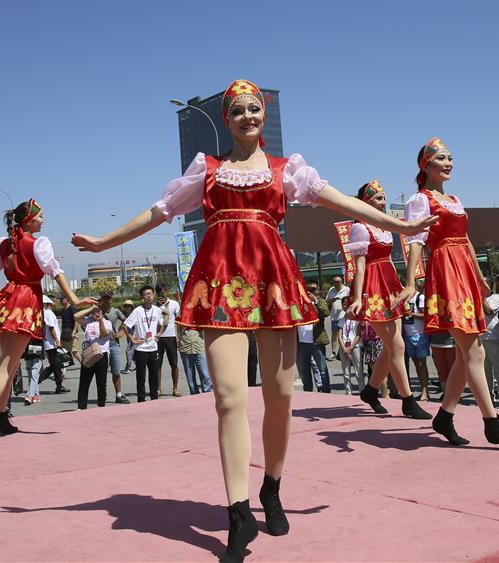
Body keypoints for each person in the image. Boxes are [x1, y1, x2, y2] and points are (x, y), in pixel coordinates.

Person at [72, 79, 434, 562]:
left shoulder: (289, 170)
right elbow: (159, 212)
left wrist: (400, 226)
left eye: (255, 109)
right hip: (220, 282)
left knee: (281, 396)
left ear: (263, 117)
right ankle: (237, 510)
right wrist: (103, 243)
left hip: (272, 282)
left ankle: (272, 486)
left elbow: (341, 201)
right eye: (239, 110)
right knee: (228, 397)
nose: (248, 116)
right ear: (227, 119)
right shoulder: (208, 170)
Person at [405, 138, 499, 448]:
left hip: (464, 270)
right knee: (474, 350)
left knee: (467, 351)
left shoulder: (455, 199)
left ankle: (445, 415)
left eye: (450, 158)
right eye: (441, 158)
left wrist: (480, 277)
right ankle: (491, 422)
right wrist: (410, 282)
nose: (448, 163)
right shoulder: (420, 200)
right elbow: (415, 242)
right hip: (445, 269)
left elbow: (467, 240)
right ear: (426, 165)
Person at [0, 199, 94, 440]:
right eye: (40, 217)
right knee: (8, 364)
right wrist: (73, 299)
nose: (43, 220)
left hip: (7, 298)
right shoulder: (38, 244)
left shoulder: (6, 243)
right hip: (25, 300)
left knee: (10, 363)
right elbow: (55, 271)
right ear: (29, 220)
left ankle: (0, 416)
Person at [346, 181, 431, 417]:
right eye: (378, 199)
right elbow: (359, 267)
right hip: (373, 286)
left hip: (389, 284)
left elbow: (390, 260)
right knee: (397, 345)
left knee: (392, 346)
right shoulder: (360, 227)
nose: (383, 203)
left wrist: (401, 284)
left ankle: (371, 390)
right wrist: (358, 297)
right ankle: (407, 400)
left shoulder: (384, 227)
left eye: (384, 198)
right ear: (365, 202)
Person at [124, 285, 163, 402]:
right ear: (142, 297)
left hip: (153, 348)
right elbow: (125, 326)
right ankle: (141, 401)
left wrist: (159, 333)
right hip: (141, 349)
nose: (149, 296)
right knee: (141, 377)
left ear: (154, 295)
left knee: (154, 377)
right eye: (146, 294)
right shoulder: (137, 311)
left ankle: (154, 399)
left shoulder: (157, 310)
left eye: (150, 293)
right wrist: (132, 340)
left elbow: (162, 323)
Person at [481, 276, 499, 407]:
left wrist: (479, 296)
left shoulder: (495, 298)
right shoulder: (476, 298)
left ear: (489, 287)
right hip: (479, 339)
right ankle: (489, 398)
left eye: (483, 284)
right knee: (484, 371)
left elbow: (488, 311)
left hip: (494, 338)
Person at [296, 280, 330, 393]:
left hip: (317, 342)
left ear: (318, 291)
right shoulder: (298, 302)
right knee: (304, 372)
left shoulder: (320, 301)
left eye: (313, 289)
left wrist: (315, 300)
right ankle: (308, 394)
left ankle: (326, 393)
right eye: (308, 289)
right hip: (301, 343)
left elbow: (325, 313)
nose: (310, 292)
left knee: (322, 370)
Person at [402, 278, 432, 402]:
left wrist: (411, 315)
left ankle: (425, 391)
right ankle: (421, 389)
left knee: (422, 364)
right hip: (407, 336)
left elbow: (427, 316)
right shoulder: (404, 300)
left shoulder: (420, 297)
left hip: (420, 335)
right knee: (416, 364)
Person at [76, 305, 112, 409]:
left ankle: (101, 405)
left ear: (102, 312)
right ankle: (81, 407)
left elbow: (104, 334)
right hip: (89, 353)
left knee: (101, 382)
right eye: (94, 311)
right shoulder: (88, 321)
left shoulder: (107, 322)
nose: (96, 313)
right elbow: (76, 316)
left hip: (102, 354)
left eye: (98, 311)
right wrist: (90, 309)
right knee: (84, 381)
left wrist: (100, 320)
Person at [99, 293, 130, 404]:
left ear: (111, 300)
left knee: (116, 371)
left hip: (114, 344)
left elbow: (127, 321)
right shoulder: (96, 311)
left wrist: (121, 332)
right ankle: (102, 395)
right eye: (105, 299)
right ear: (101, 300)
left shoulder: (115, 311)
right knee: (102, 372)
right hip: (101, 345)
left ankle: (118, 395)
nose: (107, 301)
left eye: (109, 299)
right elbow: (85, 322)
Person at [38, 296, 69, 393]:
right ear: (51, 303)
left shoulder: (47, 313)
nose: (56, 304)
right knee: (56, 364)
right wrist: (57, 341)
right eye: (55, 302)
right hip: (51, 344)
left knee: (55, 365)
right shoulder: (49, 313)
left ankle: (57, 384)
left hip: (50, 343)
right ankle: (57, 385)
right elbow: (51, 328)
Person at [156, 286, 182, 396]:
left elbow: (179, 321)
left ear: (166, 292)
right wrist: (157, 305)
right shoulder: (154, 306)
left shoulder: (174, 304)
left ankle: (175, 388)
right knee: (157, 365)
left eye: (163, 292)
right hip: (157, 337)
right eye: (159, 293)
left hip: (171, 336)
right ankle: (158, 389)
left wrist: (179, 336)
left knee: (174, 364)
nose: (161, 295)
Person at [180, 328, 213, 394]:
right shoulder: (184, 317)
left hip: (199, 345)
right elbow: (179, 325)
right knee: (190, 376)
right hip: (186, 345)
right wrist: (179, 338)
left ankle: (206, 395)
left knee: (205, 374)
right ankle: (194, 395)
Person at [338, 315, 363, 395]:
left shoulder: (357, 320)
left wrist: (350, 348)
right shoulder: (342, 320)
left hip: (355, 347)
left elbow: (358, 335)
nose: (346, 306)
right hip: (344, 347)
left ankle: (362, 392)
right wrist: (344, 349)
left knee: (358, 371)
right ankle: (348, 393)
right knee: (346, 372)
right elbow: (339, 337)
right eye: (344, 304)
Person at [326, 275, 349, 360]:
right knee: (334, 335)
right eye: (334, 282)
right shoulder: (331, 290)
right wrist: (333, 300)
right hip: (334, 316)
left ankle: (343, 351)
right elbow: (327, 301)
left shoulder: (347, 289)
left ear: (341, 281)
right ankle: (333, 352)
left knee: (344, 335)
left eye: (337, 282)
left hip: (344, 316)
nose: (336, 283)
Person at [120, 299, 136, 372]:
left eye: (128, 306)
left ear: (131, 306)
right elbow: (123, 324)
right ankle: (137, 365)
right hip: (128, 334)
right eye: (126, 306)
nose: (127, 307)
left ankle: (128, 367)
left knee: (128, 351)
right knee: (133, 351)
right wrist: (118, 330)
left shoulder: (133, 314)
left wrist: (134, 335)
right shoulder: (127, 314)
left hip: (133, 335)